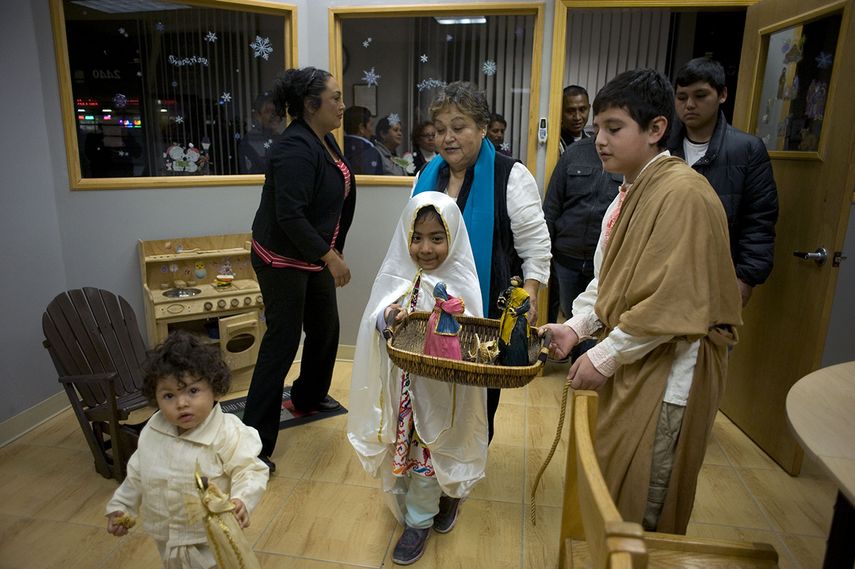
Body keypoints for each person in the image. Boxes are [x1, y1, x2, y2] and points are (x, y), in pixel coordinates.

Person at [539, 69, 742, 535]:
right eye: (597, 130)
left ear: (655, 130)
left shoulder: (683, 196)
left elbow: (671, 304)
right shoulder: (628, 193)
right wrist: (575, 328)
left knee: (649, 496)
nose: (600, 141)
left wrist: (605, 356)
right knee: (614, 481)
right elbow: (610, 282)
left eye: (614, 128)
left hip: (672, 371)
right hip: (639, 358)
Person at [348, 192, 488, 565]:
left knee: (430, 451)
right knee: (409, 452)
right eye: (417, 237)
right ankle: (430, 504)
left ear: (453, 239)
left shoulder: (460, 281)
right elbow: (374, 321)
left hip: (441, 393)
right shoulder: (397, 274)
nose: (425, 249)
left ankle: (419, 521)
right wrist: (387, 318)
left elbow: (470, 332)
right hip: (404, 391)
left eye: (437, 238)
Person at [412, 81, 551, 442]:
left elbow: (535, 246)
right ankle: (430, 459)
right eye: (440, 129)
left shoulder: (511, 175)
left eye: (458, 127)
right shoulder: (428, 176)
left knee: (477, 397)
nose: (447, 138)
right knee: (429, 391)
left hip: (486, 313)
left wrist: (532, 291)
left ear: (483, 128)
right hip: (433, 307)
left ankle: (466, 467)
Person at [244, 66, 356, 471]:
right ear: (311, 106)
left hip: (311, 256)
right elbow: (290, 216)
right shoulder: (293, 148)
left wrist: (330, 252)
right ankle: (254, 446)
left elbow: (332, 203)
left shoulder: (323, 140)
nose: (343, 106)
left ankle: (307, 397)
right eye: (336, 98)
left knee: (326, 331)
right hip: (281, 260)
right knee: (282, 343)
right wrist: (330, 257)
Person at [105, 331, 269, 568]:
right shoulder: (153, 431)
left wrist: (241, 498)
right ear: (156, 398)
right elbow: (137, 474)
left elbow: (250, 470)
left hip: (212, 535)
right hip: (167, 534)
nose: (181, 403)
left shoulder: (227, 432)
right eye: (169, 395)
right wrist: (121, 506)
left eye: (193, 391)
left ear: (213, 388)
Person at [669, 57, 779, 306]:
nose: (690, 105)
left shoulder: (747, 149)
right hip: (663, 274)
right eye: (682, 97)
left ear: (722, 95)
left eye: (700, 95)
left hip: (717, 278)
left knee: (710, 344)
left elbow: (759, 220)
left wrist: (746, 279)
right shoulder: (661, 145)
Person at [543, 135, 621, 355]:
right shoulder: (574, 154)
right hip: (568, 258)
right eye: (601, 125)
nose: (603, 138)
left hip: (606, 265)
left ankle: (584, 373)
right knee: (574, 315)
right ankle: (577, 368)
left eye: (614, 127)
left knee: (601, 322)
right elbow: (552, 206)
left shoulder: (628, 166)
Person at [238, 91, 287, 174]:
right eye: (268, 111)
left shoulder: (282, 139)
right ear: (258, 115)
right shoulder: (251, 140)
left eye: (276, 111)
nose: (274, 115)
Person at [344, 105, 384, 175]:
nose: (372, 130)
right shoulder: (369, 150)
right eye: (371, 125)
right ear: (362, 128)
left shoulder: (339, 145)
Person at [559, 85, 591, 154]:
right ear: (560, 112)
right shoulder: (554, 144)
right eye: (570, 111)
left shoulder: (592, 142)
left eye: (582, 110)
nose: (577, 117)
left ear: (589, 109)